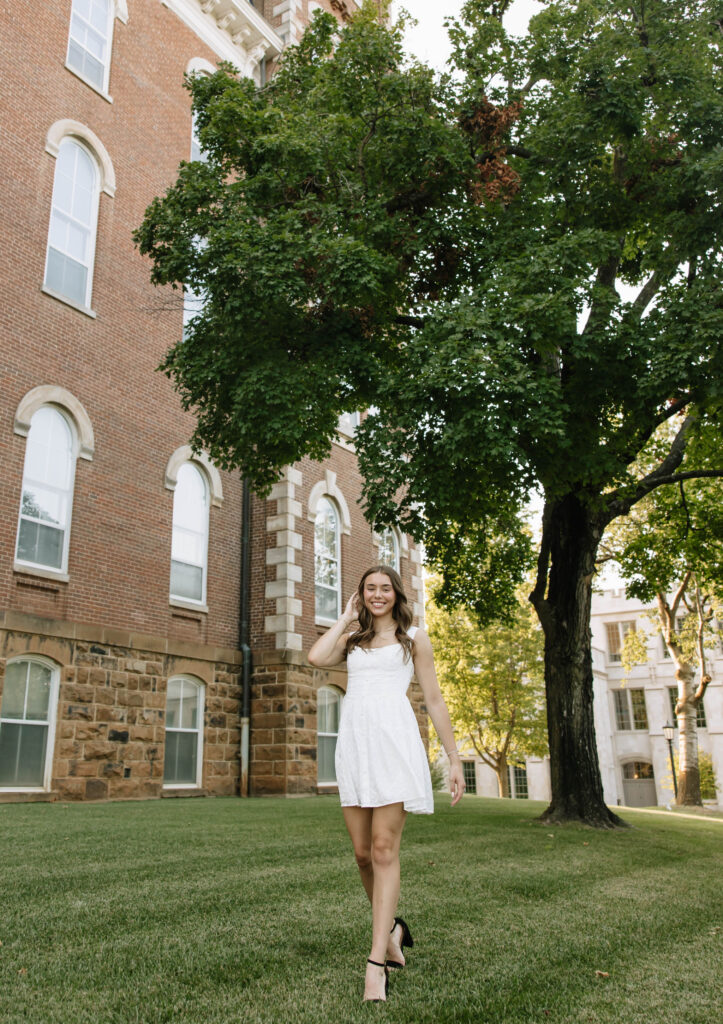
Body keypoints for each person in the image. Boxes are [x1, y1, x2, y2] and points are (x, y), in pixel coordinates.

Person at [308, 564, 465, 1003]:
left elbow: (433, 698)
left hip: (394, 747)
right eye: (369, 589)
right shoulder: (352, 640)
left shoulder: (414, 639)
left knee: (383, 849)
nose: (378, 595)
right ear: (361, 595)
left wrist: (453, 759)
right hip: (356, 749)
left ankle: (376, 962)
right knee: (361, 854)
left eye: (385, 589)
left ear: (396, 594)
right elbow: (315, 658)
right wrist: (343, 617)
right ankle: (393, 928)